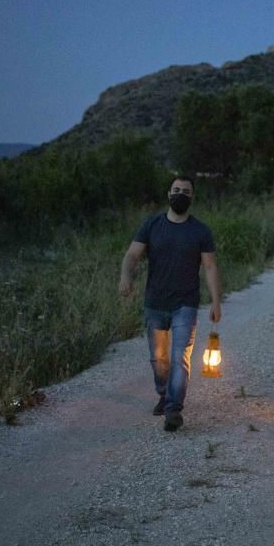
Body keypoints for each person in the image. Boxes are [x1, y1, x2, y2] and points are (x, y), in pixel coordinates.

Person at [119, 176, 222, 432]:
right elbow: (133, 254)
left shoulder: (200, 231)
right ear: (168, 194)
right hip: (154, 302)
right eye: (176, 190)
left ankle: (174, 408)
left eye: (185, 191)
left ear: (192, 197)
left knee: (180, 358)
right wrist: (125, 277)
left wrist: (216, 300)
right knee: (158, 358)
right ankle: (164, 394)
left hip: (185, 303)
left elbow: (209, 266)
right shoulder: (152, 224)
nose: (180, 194)